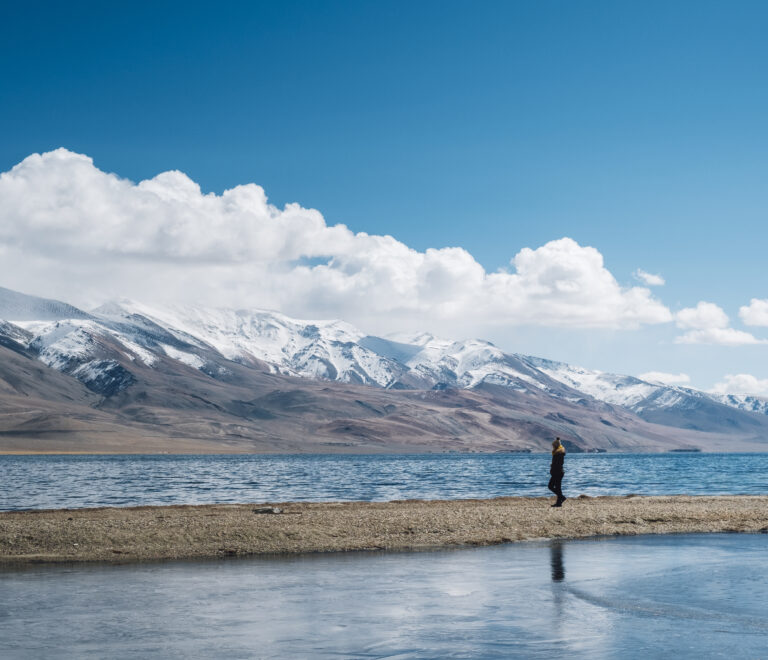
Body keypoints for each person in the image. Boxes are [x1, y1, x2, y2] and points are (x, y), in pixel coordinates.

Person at [548, 437, 567, 507]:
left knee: (550, 486)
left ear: (555, 446)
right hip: (558, 472)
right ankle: (559, 503)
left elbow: (557, 464)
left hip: (557, 472)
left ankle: (562, 497)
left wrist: (552, 468)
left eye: (553, 446)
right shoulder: (558, 453)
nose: (552, 447)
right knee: (558, 488)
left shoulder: (558, 453)